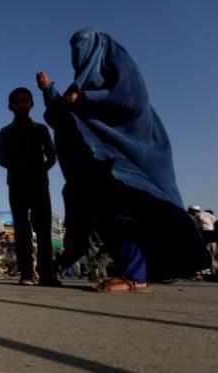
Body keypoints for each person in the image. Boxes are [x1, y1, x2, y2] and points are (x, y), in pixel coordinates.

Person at [37, 27, 210, 292]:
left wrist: (87, 98)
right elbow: (66, 117)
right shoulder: (79, 86)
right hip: (104, 165)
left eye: (83, 45)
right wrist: (49, 90)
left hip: (133, 156)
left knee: (125, 213)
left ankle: (134, 275)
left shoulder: (122, 74)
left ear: (98, 47)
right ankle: (133, 272)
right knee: (107, 214)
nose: (78, 53)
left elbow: (131, 102)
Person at [0, 87, 60, 286]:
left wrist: (41, 170)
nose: (22, 104)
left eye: (25, 100)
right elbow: (1, 158)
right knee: (22, 229)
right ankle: (26, 273)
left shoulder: (41, 130)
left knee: (43, 230)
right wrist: (18, 168)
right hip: (16, 184)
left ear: (32, 104)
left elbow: (52, 155)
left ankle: (47, 274)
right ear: (10, 107)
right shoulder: (5, 132)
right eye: (17, 101)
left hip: (39, 184)